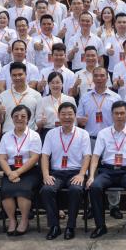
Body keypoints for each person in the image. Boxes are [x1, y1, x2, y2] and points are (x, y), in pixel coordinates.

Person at [87, 101, 126, 238]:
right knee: (95, 187)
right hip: (107, 171)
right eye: (116, 113)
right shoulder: (103, 133)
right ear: (111, 115)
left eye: (122, 113)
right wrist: (91, 176)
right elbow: (95, 156)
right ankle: (100, 226)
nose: (119, 116)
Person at [40, 102, 91, 240]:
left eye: (70, 114)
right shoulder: (51, 134)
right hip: (57, 173)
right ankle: (54, 226)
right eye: (63, 114)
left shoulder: (83, 134)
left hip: (76, 172)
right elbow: (44, 156)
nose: (67, 117)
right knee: (46, 190)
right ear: (58, 116)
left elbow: (87, 156)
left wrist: (82, 174)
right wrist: (46, 175)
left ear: (75, 116)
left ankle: (70, 226)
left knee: (76, 189)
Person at [0, 105, 43, 236]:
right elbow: (2, 158)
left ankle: (24, 220)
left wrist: (17, 173)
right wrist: (10, 173)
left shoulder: (34, 136)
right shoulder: (6, 136)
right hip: (10, 170)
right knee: (6, 190)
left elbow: (34, 157)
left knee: (23, 190)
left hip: (29, 170)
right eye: (16, 116)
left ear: (28, 119)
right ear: (11, 119)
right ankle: (12, 220)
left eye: (23, 116)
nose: (19, 118)